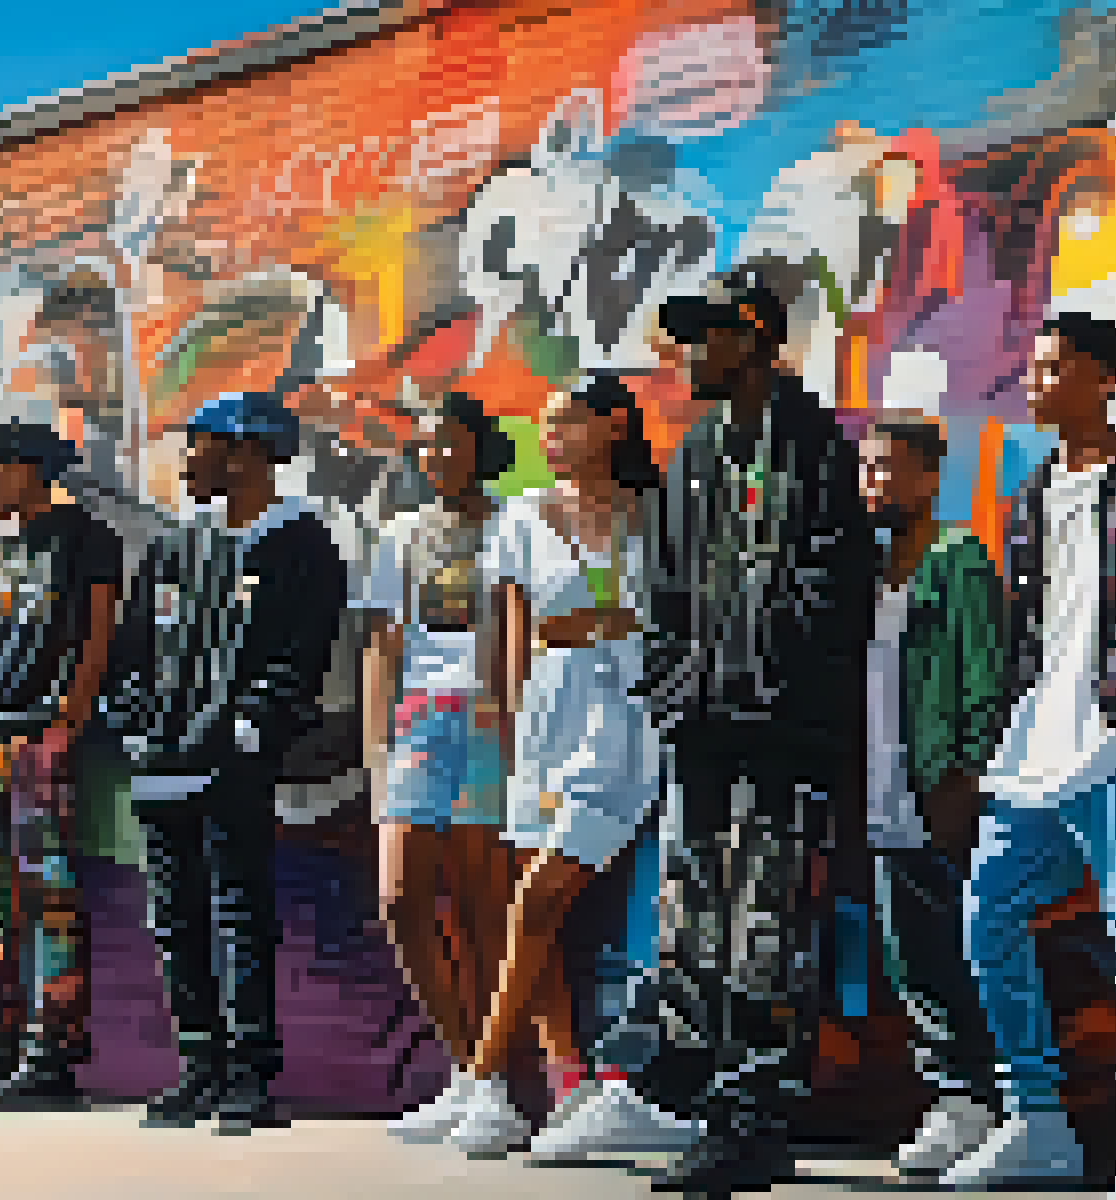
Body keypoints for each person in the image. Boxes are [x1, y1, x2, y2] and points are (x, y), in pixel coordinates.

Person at [944, 313, 1116, 1197]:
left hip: (1114, 740)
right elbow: (1026, 629)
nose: (1036, 382)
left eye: (1056, 368)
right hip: (1034, 744)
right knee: (987, 918)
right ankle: (1039, 1121)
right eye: (1033, 368)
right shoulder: (1029, 494)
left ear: (1106, 378)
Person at [628, 270, 876, 1194]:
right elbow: (663, 592)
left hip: (779, 737)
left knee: (766, 928)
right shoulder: (693, 455)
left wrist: (766, 683)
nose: (691, 353)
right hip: (699, 736)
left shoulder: (811, 443)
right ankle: (711, 1110)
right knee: (691, 923)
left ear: (757, 338)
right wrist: (674, 691)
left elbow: (833, 590)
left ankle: (755, 1117)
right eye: (685, 335)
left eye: (709, 334)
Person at [431, 375, 666, 1155]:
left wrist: (608, 622)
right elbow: (509, 632)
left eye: (567, 420)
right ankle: (565, 1081)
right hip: (544, 727)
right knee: (541, 919)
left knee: (537, 903)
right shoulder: (524, 518)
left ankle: (485, 1076)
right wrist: (501, 728)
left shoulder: (654, 514)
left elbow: (673, 617)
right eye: (546, 424)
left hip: (626, 728)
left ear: (614, 426)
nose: (552, 435)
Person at [106, 390, 345, 1134]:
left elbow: (303, 655)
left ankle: (249, 1074)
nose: (187, 461)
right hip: (162, 762)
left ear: (243, 453)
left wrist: (248, 728)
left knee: (240, 909)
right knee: (175, 917)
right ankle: (199, 1068)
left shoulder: (302, 543)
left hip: (236, 762)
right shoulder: (177, 543)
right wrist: (138, 726)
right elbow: (133, 651)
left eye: (198, 445)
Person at [0, 420, 121, 1109]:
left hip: (39, 736)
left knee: (51, 898)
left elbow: (98, 632)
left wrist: (67, 722)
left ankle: (55, 1054)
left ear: (32, 469)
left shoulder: (87, 539)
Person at [850, 415, 1012, 1179]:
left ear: (927, 478)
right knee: (908, 956)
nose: (874, 482)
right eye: (867, 469)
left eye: (888, 469)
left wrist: (967, 781)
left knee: (957, 952)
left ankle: (980, 1101)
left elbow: (986, 678)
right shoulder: (868, 566)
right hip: (884, 793)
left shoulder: (958, 561)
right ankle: (957, 1101)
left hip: (941, 788)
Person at [369, 391, 521, 1147]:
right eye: (425, 446)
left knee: (482, 912)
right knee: (401, 900)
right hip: (418, 725)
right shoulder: (397, 535)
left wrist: (516, 728)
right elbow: (382, 646)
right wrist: (376, 750)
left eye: (450, 443)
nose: (436, 457)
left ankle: (494, 1085)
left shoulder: (512, 525)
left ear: (480, 446)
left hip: (489, 723)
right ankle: (465, 1071)